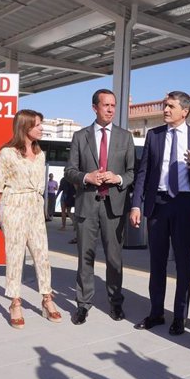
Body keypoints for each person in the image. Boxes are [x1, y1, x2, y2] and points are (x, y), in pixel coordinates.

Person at [130, 91, 190, 336]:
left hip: (185, 204)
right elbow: (142, 173)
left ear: (184, 111)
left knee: (184, 263)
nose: (165, 110)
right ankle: (156, 312)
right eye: (165, 105)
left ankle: (180, 317)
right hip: (158, 204)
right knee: (157, 262)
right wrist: (136, 204)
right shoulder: (154, 135)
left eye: (170, 106)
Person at [64, 89, 135, 325]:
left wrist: (119, 179)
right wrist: (87, 177)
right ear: (94, 107)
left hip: (114, 207)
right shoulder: (80, 137)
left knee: (114, 259)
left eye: (113, 105)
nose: (111, 109)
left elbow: (132, 172)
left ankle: (116, 303)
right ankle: (83, 304)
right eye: (106, 105)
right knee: (85, 257)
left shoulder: (125, 137)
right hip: (87, 206)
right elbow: (69, 171)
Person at [0, 109, 62, 328]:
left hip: (35, 207)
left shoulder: (40, 154)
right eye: (38, 125)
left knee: (42, 254)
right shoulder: (6, 154)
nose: (42, 128)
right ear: (25, 126)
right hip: (13, 206)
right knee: (14, 256)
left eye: (42, 124)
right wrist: (5, 214)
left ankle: (47, 299)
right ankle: (15, 302)